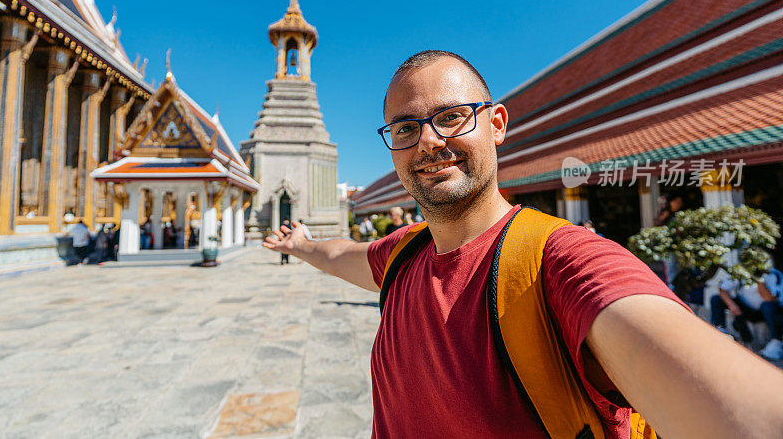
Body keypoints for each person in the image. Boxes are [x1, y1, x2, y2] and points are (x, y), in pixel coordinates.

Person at [263, 50, 783, 437]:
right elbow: (339, 257)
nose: (427, 141)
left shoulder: (561, 260)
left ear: (496, 125)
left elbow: (735, 408)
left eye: (449, 117)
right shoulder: (403, 254)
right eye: (404, 128)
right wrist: (301, 243)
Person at [711, 268, 783, 360]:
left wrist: (759, 279)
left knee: (768, 306)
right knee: (716, 299)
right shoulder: (741, 271)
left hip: (767, 312)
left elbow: (768, 298)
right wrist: (732, 305)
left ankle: (776, 343)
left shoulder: (774, 274)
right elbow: (722, 288)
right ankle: (720, 333)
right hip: (745, 309)